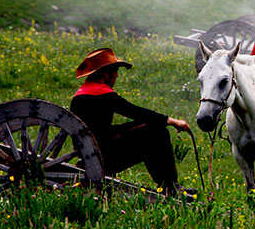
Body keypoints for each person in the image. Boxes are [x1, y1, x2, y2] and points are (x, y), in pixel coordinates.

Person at [70, 47, 192, 196]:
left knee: (152, 125)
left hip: (89, 152)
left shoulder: (80, 95)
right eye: (115, 71)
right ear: (104, 73)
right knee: (157, 132)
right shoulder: (101, 93)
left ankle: (168, 185)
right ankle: (169, 187)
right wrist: (172, 121)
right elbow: (135, 112)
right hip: (103, 157)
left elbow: (100, 130)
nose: (116, 76)